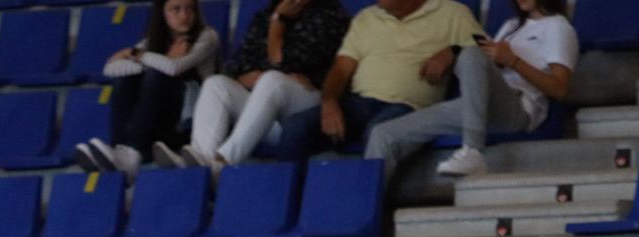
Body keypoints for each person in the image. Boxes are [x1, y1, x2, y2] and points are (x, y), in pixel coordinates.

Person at [363, 0, 576, 181]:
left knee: (471, 53)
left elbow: (560, 89)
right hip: (480, 102)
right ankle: (364, 216)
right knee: (383, 135)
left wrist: (513, 61)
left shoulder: (557, 26)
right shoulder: (511, 26)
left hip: (519, 107)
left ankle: (473, 150)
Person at [277, 0, 484, 164]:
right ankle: (279, 208)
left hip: (409, 107)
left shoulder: (452, 12)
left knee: (378, 132)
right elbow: (341, 69)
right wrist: (329, 102)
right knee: (296, 126)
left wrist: (452, 51)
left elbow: (487, 51)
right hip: (359, 103)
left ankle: (363, 209)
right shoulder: (366, 18)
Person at [177, 0, 351, 170]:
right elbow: (235, 68)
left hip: (307, 107)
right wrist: (250, 78)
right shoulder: (264, 16)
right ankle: (203, 164)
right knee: (216, 84)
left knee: (272, 80)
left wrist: (278, 22)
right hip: (261, 116)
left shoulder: (329, 15)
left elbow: (283, 63)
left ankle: (224, 163)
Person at [75, 0, 222, 178]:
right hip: (154, 129)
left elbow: (174, 68)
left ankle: (129, 156)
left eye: (190, 8)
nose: (184, 15)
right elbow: (110, 69)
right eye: (176, 9)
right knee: (125, 78)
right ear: (162, 12)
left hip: (186, 126)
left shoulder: (207, 36)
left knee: (156, 75)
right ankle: (123, 150)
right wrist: (160, 59)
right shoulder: (154, 40)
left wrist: (136, 55)